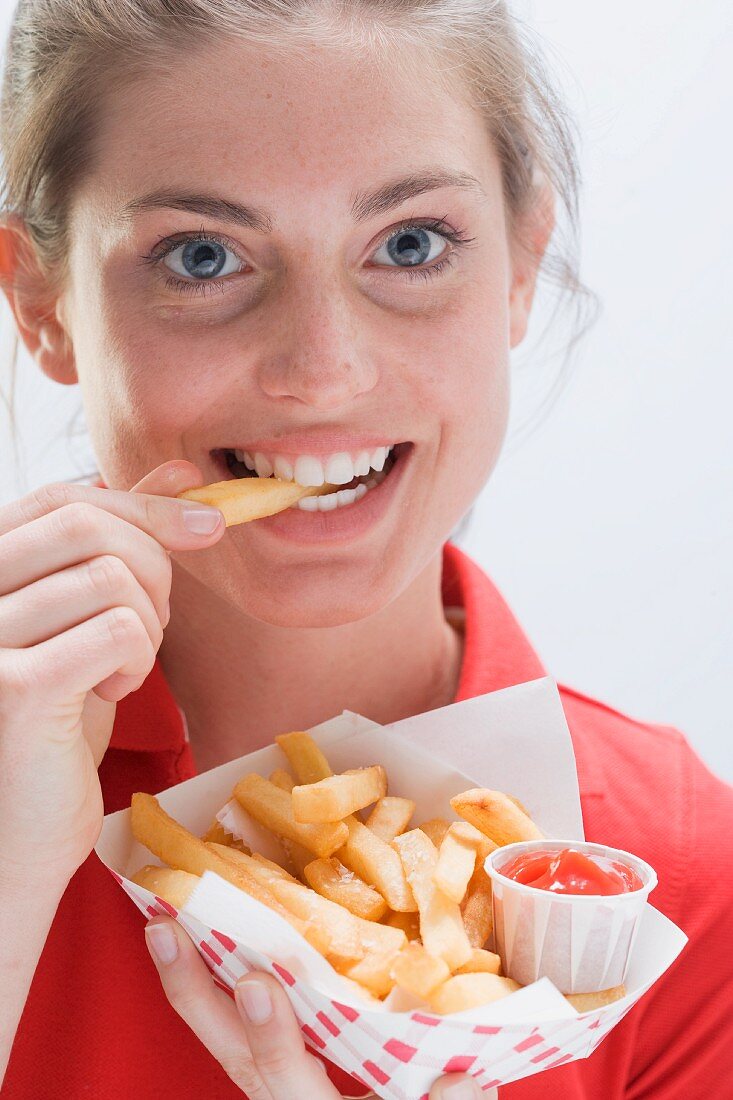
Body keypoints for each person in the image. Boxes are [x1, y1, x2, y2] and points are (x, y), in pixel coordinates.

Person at [0, 1, 731, 1098]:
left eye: (409, 244)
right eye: (203, 257)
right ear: (41, 303)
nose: (321, 369)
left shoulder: (670, 874)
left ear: (522, 266)